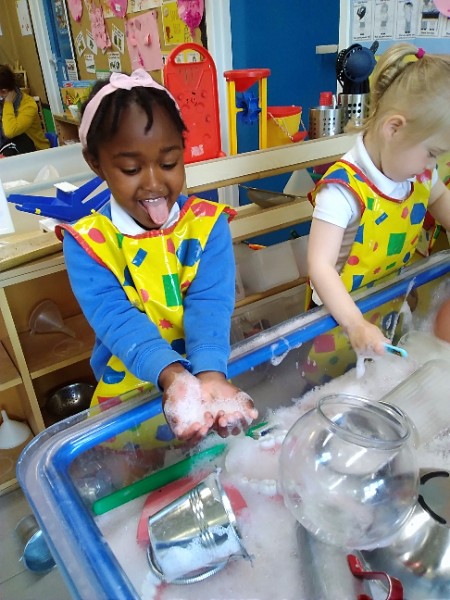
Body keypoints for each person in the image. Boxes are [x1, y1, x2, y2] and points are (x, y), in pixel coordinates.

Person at [56, 69, 257, 444]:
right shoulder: (88, 243)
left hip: (202, 375)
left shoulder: (206, 226)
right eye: (131, 169)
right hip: (128, 390)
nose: (153, 183)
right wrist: (172, 377)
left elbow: (209, 304)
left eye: (168, 163)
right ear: (96, 163)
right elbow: (117, 319)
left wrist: (210, 375)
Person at [307, 43, 450, 359]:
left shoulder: (420, 177)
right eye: (432, 153)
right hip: (337, 322)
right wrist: (355, 324)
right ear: (394, 128)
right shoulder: (343, 190)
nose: (432, 165)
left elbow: (442, 200)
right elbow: (320, 267)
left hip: (388, 306)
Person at [0, 64, 50, 156]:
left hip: (36, 152)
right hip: (12, 149)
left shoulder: (28, 105)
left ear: (4, 91)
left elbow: (10, 131)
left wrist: (8, 103)